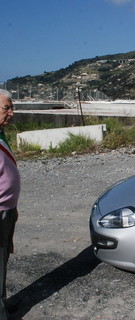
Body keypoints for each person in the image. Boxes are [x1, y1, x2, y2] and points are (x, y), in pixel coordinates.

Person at [0, 89, 21, 320]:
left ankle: (2, 303)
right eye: (7, 108)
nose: (12, 113)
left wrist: (12, 206)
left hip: (7, 209)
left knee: (3, 260)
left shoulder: (1, 135)